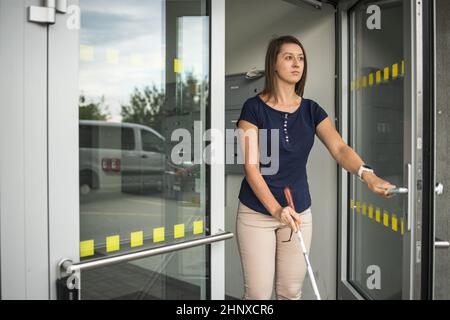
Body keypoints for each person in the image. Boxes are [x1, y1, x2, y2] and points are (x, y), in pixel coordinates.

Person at [235, 35, 396, 300]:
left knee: (290, 292)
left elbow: (340, 149)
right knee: (258, 296)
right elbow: (251, 167)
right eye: (288, 57)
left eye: (300, 58)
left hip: (298, 212)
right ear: (273, 63)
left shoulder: (311, 110)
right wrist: (276, 209)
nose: (297, 63)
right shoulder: (253, 109)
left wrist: (368, 175)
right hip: (257, 214)